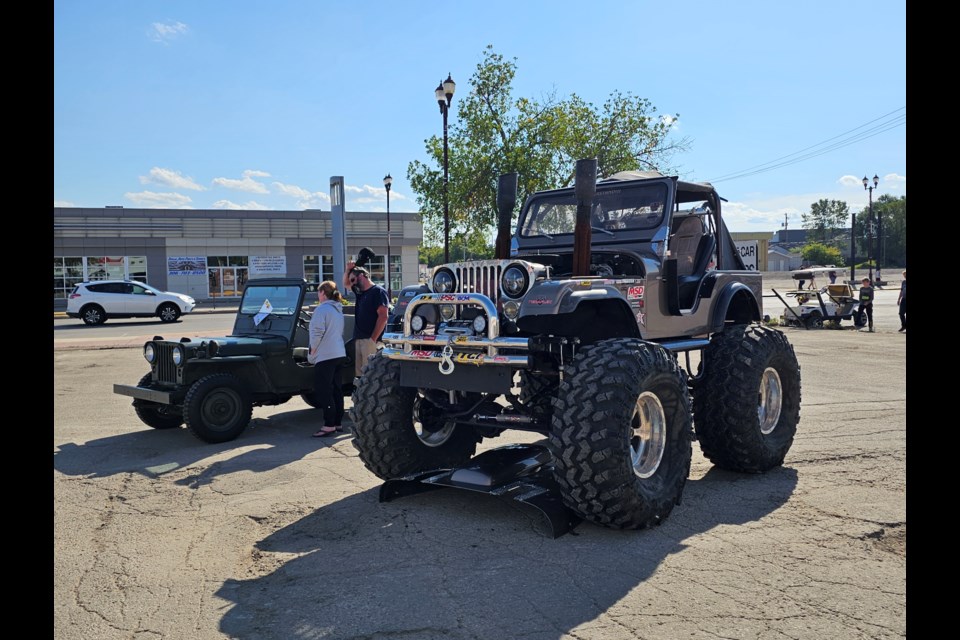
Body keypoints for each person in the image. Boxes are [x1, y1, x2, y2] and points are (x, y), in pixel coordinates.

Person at [308, 281, 347, 437]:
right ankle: (337, 422)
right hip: (338, 353)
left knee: (324, 390)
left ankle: (328, 424)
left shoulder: (321, 309)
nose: (318, 295)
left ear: (323, 293)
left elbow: (317, 332)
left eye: (319, 292)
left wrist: (312, 350)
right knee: (337, 389)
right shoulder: (337, 310)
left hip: (325, 355)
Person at [343, 260, 389, 380]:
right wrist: (348, 270)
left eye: (353, 279)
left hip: (370, 340)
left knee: (371, 374)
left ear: (362, 276)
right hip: (359, 338)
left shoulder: (378, 292)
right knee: (361, 376)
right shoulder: (360, 293)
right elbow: (345, 284)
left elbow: (383, 316)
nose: (351, 283)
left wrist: (372, 339)